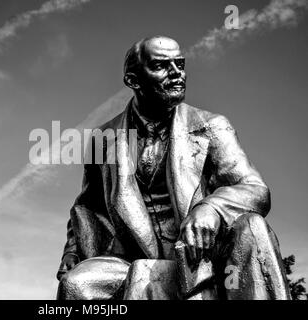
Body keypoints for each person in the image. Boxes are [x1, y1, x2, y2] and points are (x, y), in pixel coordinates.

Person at [56, 36, 290, 300]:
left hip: (200, 258)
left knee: (251, 225)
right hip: (130, 259)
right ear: (133, 80)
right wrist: (72, 253)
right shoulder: (104, 138)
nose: (177, 73)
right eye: (161, 66)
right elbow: (88, 206)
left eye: (180, 64)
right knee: (77, 285)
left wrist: (211, 207)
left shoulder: (211, 126)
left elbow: (255, 189)